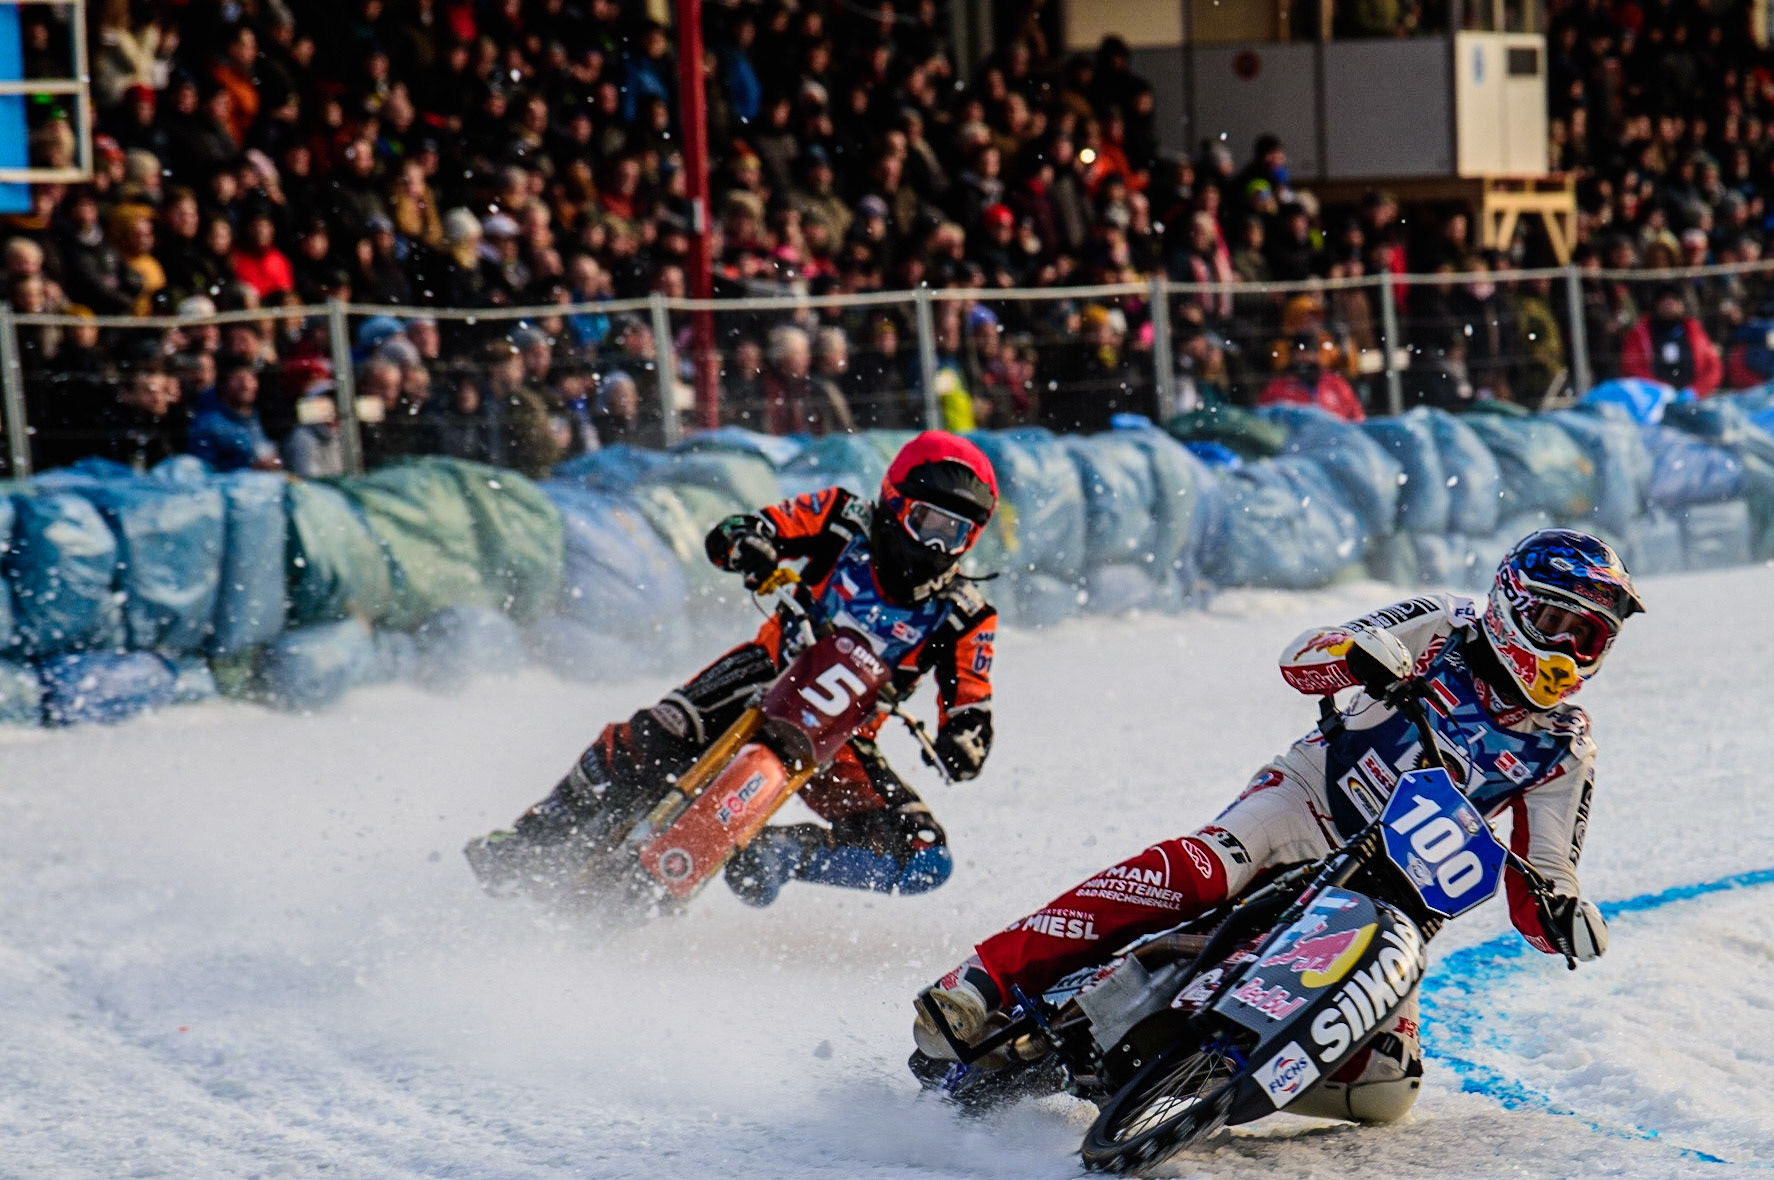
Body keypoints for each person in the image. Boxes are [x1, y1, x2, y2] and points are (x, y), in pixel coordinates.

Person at [913, 529, 1641, 1125]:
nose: (1565, 650)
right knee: (1200, 871)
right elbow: (1304, 656)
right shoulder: (1443, 624)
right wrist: (1353, 654)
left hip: (1397, 896)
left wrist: (1564, 916)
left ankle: (1209, 1070)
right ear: (1511, 601)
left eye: (1586, 637)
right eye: (1554, 623)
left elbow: (1548, 873)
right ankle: (982, 980)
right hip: (1308, 804)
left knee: (1384, 1090)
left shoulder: (1565, 746)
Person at [465, 432, 1002, 908]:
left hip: (843, 737)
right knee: (651, 737)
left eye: (955, 534)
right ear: (894, 501)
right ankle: (534, 839)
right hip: (767, 671)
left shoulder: (966, 614)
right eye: (927, 523)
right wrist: (751, 546)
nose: (936, 545)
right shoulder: (843, 519)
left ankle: (783, 853)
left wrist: (964, 741)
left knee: (924, 856)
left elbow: (972, 702)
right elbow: (741, 528)